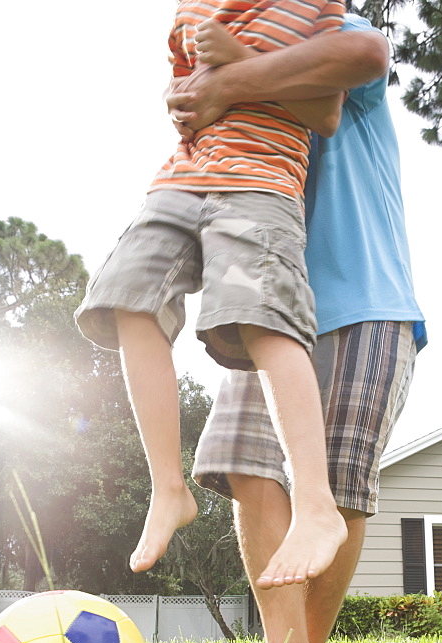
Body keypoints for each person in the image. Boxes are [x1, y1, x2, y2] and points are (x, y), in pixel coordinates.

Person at [170, 13, 427, 643]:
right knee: (244, 463)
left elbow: (368, 53)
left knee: (337, 485)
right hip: (266, 302)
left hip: (362, 296)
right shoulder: (224, 73)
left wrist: (233, 77)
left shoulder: (323, 27)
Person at [74, 0, 349, 590]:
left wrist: (240, 64)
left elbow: (325, 113)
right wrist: (181, 100)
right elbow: (185, 93)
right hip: (179, 180)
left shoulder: (317, 8)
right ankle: (168, 488)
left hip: (261, 183)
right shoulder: (191, 9)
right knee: (128, 295)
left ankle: (317, 504)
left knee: (263, 317)